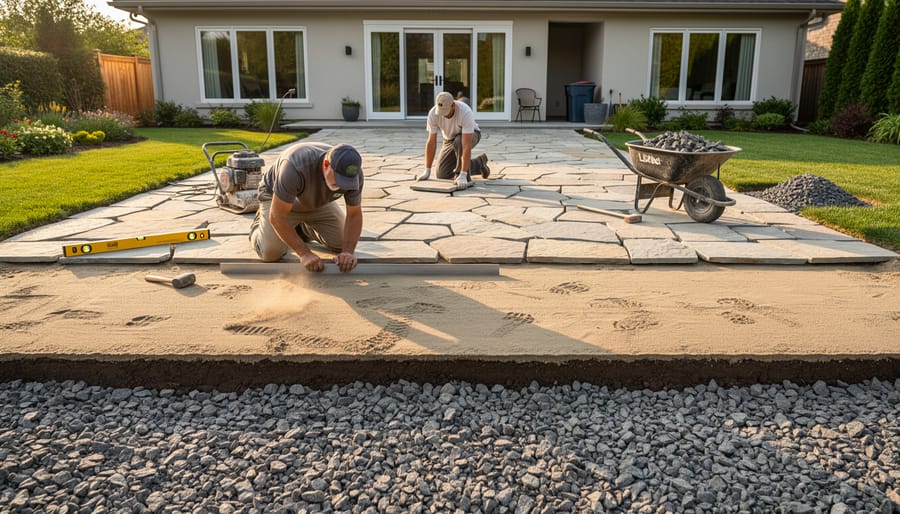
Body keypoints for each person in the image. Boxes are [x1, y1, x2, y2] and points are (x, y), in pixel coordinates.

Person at [249, 142, 364, 272]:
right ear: (326, 165)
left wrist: (348, 252)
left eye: (346, 181)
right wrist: (304, 253)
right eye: (338, 178)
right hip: (278, 199)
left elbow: (354, 214)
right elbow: (277, 215)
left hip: (317, 202)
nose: (341, 185)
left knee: (344, 242)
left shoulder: (354, 175)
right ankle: (260, 225)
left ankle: (301, 229)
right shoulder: (294, 166)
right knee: (270, 252)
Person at [417, 91, 490, 190]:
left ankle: (462, 174)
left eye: (446, 112)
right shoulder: (433, 114)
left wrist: (463, 174)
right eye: (441, 112)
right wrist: (427, 170)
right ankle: (479, 163)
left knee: (459, 140)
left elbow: (466, 146)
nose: (443, 116)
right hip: (449, 139)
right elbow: (431, 143)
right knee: (442, 173)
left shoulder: (465, 112)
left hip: (471, 135)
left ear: (453, 106)